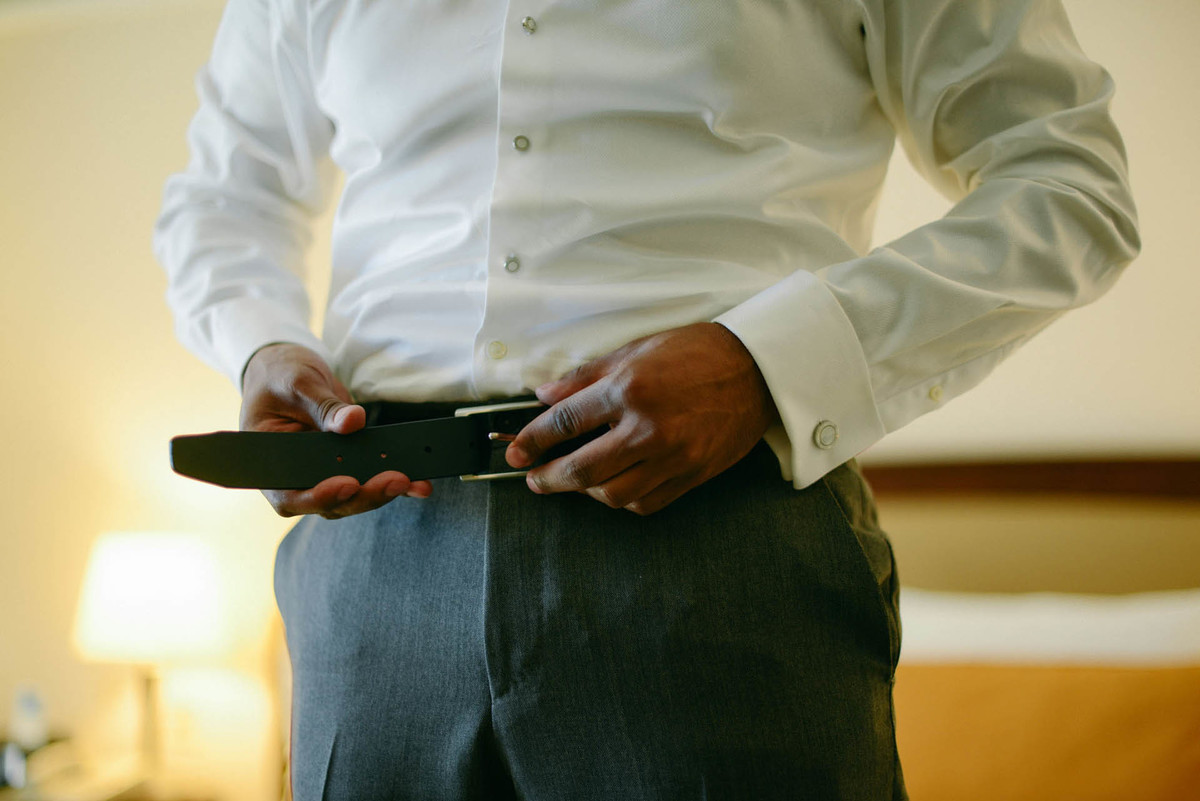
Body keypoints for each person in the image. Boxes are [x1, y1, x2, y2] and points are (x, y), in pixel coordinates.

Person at [154, 0, 1138, 797]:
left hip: (715, 549)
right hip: (371, 560)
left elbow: (1067, 184)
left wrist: (764, 364)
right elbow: (221, 196)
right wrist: (259, 346)